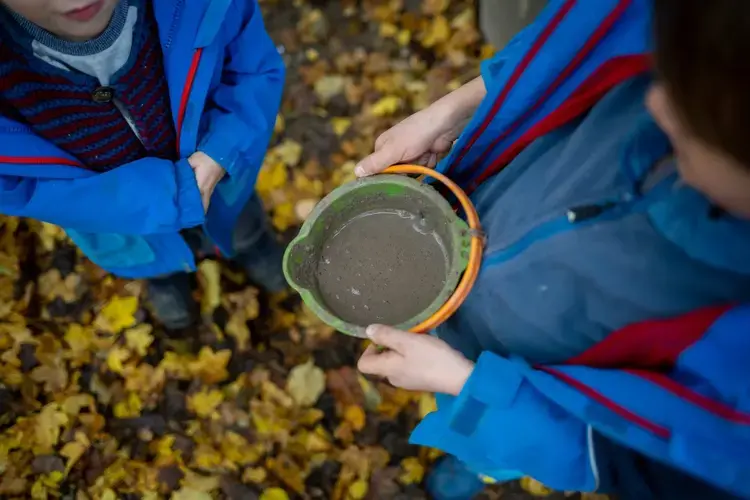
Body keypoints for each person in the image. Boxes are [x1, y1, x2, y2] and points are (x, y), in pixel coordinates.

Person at [356, 0, 750, 498]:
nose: (652, 106)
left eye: (690, 129)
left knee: (492, 433)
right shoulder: (713, 39)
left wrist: (475, 391)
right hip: (479, 273)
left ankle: (484, 459)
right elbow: (580, 43)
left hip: (523, 391)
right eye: (665, 77)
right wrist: (459, 108)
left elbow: (627, 461)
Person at [0, 0, 285, 330]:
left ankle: (253, 245)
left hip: (224, 181)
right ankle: (165, 278)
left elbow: (252, 68)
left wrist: (224, 148)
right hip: (120, 223)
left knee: (242, 224)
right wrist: (162, 200)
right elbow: (20, 185)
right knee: (152, 257)